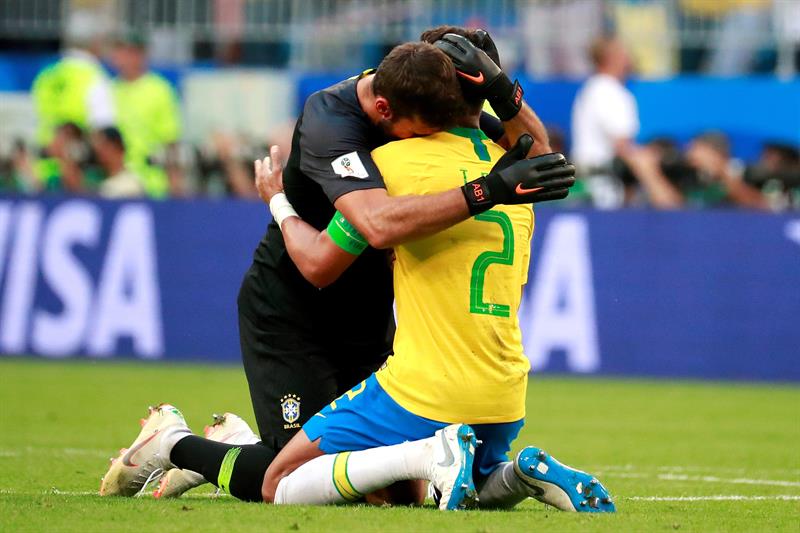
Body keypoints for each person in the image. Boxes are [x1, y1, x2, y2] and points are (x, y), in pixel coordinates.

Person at [101, 33, 573, 502]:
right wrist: (279, 203)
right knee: (297, 479)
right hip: (293, 305)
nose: (430, 139)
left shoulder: (423, 108)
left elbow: (544, 164)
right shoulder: (337, 123)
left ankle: (235, 444)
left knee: (394, 495)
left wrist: (499, 86)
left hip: (368, 310)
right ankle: (171, 442)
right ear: (385, 111)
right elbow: (337, 252)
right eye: (422, 132)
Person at [111, 34, 183, 197]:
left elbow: (170, 140)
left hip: (151, 182)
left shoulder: (160, 90)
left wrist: (174, 182)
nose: (123, 59)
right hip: (116, 178)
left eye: (129, 53)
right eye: (120, 52)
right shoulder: (109, 90)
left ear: (141, 55)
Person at [93, 127, 146, 199]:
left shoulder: (131, 183)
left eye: (104, 145)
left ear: (118, 146)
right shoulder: (94, 179)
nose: (98, 150)